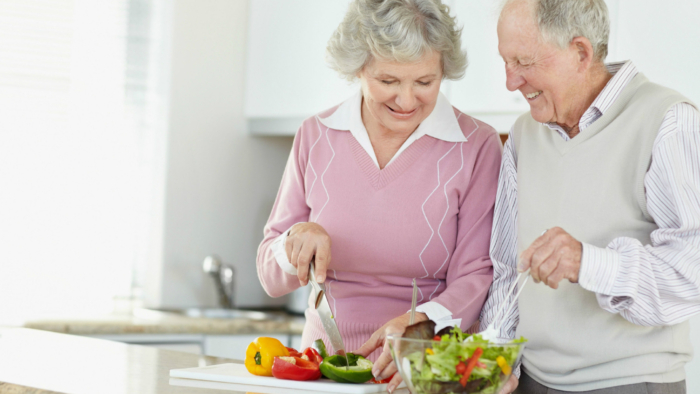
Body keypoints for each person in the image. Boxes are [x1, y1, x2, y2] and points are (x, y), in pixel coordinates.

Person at [256, 0, 502, 391]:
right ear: (358, 68)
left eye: (425, 82)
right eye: (388, 81)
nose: (407, 100)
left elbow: (476, 275)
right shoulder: (316, 136)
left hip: (422, 370)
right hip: (322, 369)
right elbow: (270, 276)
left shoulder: (475, 146)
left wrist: (419, 324)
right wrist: (294, 241)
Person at [480, 0, 700, 393]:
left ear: (580, 52)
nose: (511, 82)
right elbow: (505, 269)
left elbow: (693, 271)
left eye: (524, 62)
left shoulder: (667, 119)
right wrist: (494, 362)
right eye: (505, 62)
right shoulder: (523, 135)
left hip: (630, 381)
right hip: (529, 379)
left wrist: (589, 263)